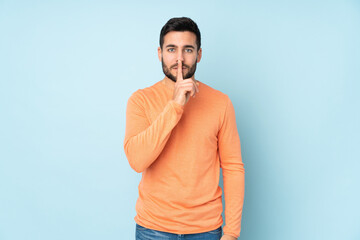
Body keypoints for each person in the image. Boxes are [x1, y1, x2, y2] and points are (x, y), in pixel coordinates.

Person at [124, 17, 245, 240]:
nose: (179, 59)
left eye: (187, 49)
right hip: (153, 229)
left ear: (199, 54)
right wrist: (175, 105)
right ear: (160, 53)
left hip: (206, 230)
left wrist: (231, 233)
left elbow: (233, 168)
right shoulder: (140, 100)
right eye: (172, 49)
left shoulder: (221, 102)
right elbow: (137, 161)